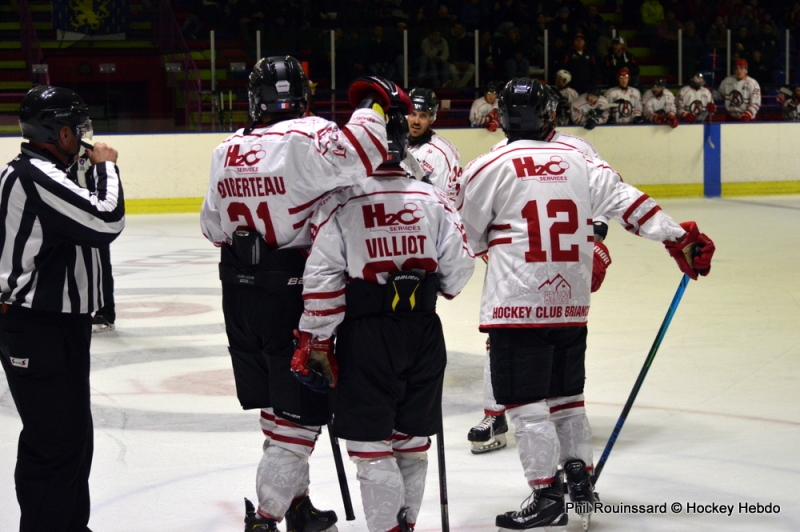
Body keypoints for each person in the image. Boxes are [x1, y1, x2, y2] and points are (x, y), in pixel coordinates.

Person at [458, 77, 715, 531]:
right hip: (570, 304)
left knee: (524, 404)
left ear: (503, 119)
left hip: (516, 305)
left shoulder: (488, 165)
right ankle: (579, 478)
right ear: (550, 115)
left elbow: (467, 236)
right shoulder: (580, 159)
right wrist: (680, 238)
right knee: (566, 398)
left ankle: (546, 496)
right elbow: (629, 203)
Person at [200, 56, 401, 532]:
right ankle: (266, 517)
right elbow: (367, 147)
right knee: (298, 419)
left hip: (239, 297)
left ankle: (299, 507)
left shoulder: (226, 148)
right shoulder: (309, 135)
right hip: (292, 295)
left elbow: (212, 227)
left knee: (277, 407)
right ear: (304, 96)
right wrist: (373, 103)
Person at [291, 105, 475, 532]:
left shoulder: (342, 201)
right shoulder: (434, 199)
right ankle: (404, 525)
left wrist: (316, 340)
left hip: (367, 334)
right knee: (412, 440)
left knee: (369, 442)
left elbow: (322, 279)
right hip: (423, 332)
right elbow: (460, 269)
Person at [0, 85, 124, 532]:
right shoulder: (34, 175)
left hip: (58, 326)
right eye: (78, 128)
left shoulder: (47, 172)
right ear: (62, 133)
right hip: (37, 326)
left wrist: (91, 170)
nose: (85, 138)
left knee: (72, 436)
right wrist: (107, 167)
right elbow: (106, 220)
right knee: (52, 442)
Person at [466, 84, 612, 457]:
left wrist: (595, 244)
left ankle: (557, 415)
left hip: (563, 262)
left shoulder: (578, 151)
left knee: (556, 341)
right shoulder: (501, 154)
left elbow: (602, 200)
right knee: (502, 340)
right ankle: (495, 414)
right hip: (518, 261)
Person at [72, 153, 118, 333]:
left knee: (100, 265)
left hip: (92, 217)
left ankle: (105, 313)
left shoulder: (93, 154)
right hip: (67, 215)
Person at [404, 88, 462, 202]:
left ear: (432, 118)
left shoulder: (444, 153)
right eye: (413, 114)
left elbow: (447, 202)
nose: (416, 121)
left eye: (423, 116)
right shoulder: (397, 144)